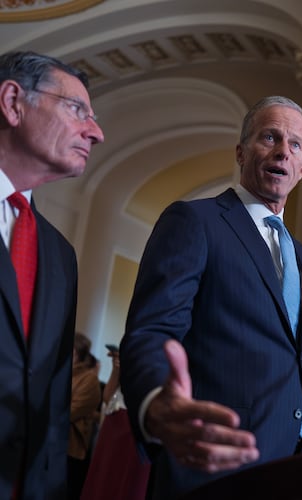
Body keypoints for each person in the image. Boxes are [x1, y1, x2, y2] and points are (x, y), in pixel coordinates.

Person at [120, 95, 302, 499]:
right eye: (270, 137)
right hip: (215, 465)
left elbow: (298, 371)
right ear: (241, 151)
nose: (283, 150)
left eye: (295, 145)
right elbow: (154, 331)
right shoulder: (195, 221)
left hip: (296, 473)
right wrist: (157, 403)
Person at [0, 51, 103, 499]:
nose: (96, 132)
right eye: (77, 109)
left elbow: (56, 398)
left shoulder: (60, 255)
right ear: (12, 102)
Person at [81, 346, 150, 500]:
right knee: (101, 480)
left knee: (123, 485)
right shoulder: (132, 346)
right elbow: (108, 397)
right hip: (113, 421)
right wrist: (117, 368)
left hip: (134, 425)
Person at [67, 333, 101, 500]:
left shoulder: (89, 379)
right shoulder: (63, 373)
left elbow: (70, 412)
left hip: (72, 450)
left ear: (78, 354)